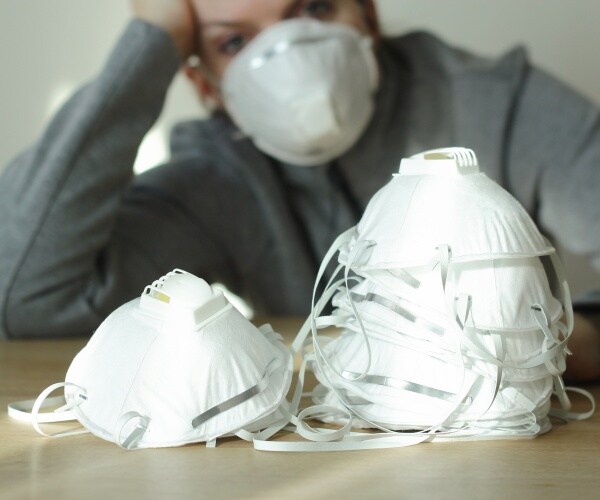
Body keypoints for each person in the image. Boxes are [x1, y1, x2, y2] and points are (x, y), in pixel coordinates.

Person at [0, 0, 598, 380]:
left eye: (313, 7)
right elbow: (25, 295)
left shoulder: (497, 104)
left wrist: (561, 349)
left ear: (366, 14)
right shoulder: (215, 178)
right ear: (205, 84)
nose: (291, 58)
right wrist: (149, 46)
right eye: (234, 42)